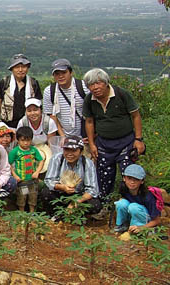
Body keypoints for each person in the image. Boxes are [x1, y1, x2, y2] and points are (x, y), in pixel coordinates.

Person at [82, 68, 144, 199]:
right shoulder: (89, 100)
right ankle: (105, 205)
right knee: (104, 176)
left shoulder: (121, 94)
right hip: (103, 143)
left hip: (126, 141)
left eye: (98, 83)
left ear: (106, 82)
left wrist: (138, 139)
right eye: (91, 85)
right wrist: (92, 145)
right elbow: (89, 121)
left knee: (129, 174)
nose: (95, 87)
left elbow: (136, 116)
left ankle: (133, 203)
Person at [41, 136, 102, 217]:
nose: (69, 154)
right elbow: (49, 180)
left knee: (95, 205)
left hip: (79, 195)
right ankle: (56, 216)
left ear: (81, 152)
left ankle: (77, 215)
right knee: (45, 193)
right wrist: (61, 187)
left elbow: (93, 190)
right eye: (66, 150)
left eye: (73, 150)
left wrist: (76, 201)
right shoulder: (56, 158)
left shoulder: (87, 163)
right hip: (60, 194)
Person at [42, 59, 90, 138]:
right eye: (57, 74)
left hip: (85, 135)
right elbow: (52, 116)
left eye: (64, 72)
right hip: (63, 136)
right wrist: (62, 136)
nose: (61, 76)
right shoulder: (49, 91)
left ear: (71, 72)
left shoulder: (83, 86)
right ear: (53, 76)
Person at [0, 54, 42, 128]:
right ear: (12, 69)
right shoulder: (5, 82)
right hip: (7, 124)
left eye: (23, 67)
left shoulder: (33, 83)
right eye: (17, 67)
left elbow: (38, 104)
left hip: (27, 124)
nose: (20, 70)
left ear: (27, 68)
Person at [113, 164, 161, 234]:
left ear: (142, 181)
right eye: (129, 178)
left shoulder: (148, 196)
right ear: (124, 178)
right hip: (134, 214)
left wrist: (142, 228)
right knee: (121, 203)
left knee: (133, 207)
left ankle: (139, 228)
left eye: (136, 179)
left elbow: (157, 220)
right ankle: (123, 225)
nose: (132, 182)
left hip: (145, 219)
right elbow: (123, 202)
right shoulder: (124, 189)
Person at [16, 98, 57, 174]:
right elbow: (20, 143)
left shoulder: (49, 122)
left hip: (45, 149)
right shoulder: (23, 123)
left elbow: (51, 144)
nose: (32, 113)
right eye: (29, 111)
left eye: (35, 110)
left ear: (41, 110)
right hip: (28, 149)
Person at [9, 127, 44, 212]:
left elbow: (41, 160)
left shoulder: (33, 150)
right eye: (22, 140)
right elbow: (8, 164)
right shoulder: (15, 151)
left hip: (32, 180)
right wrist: (15, 175)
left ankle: (32, 213)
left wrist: (37, 172)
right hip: (22, 181)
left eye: (28, 140)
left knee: (33, 196)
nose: (25, 143)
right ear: (18, 140)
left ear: (31, 140)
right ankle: (22, 213)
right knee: (22, 197)